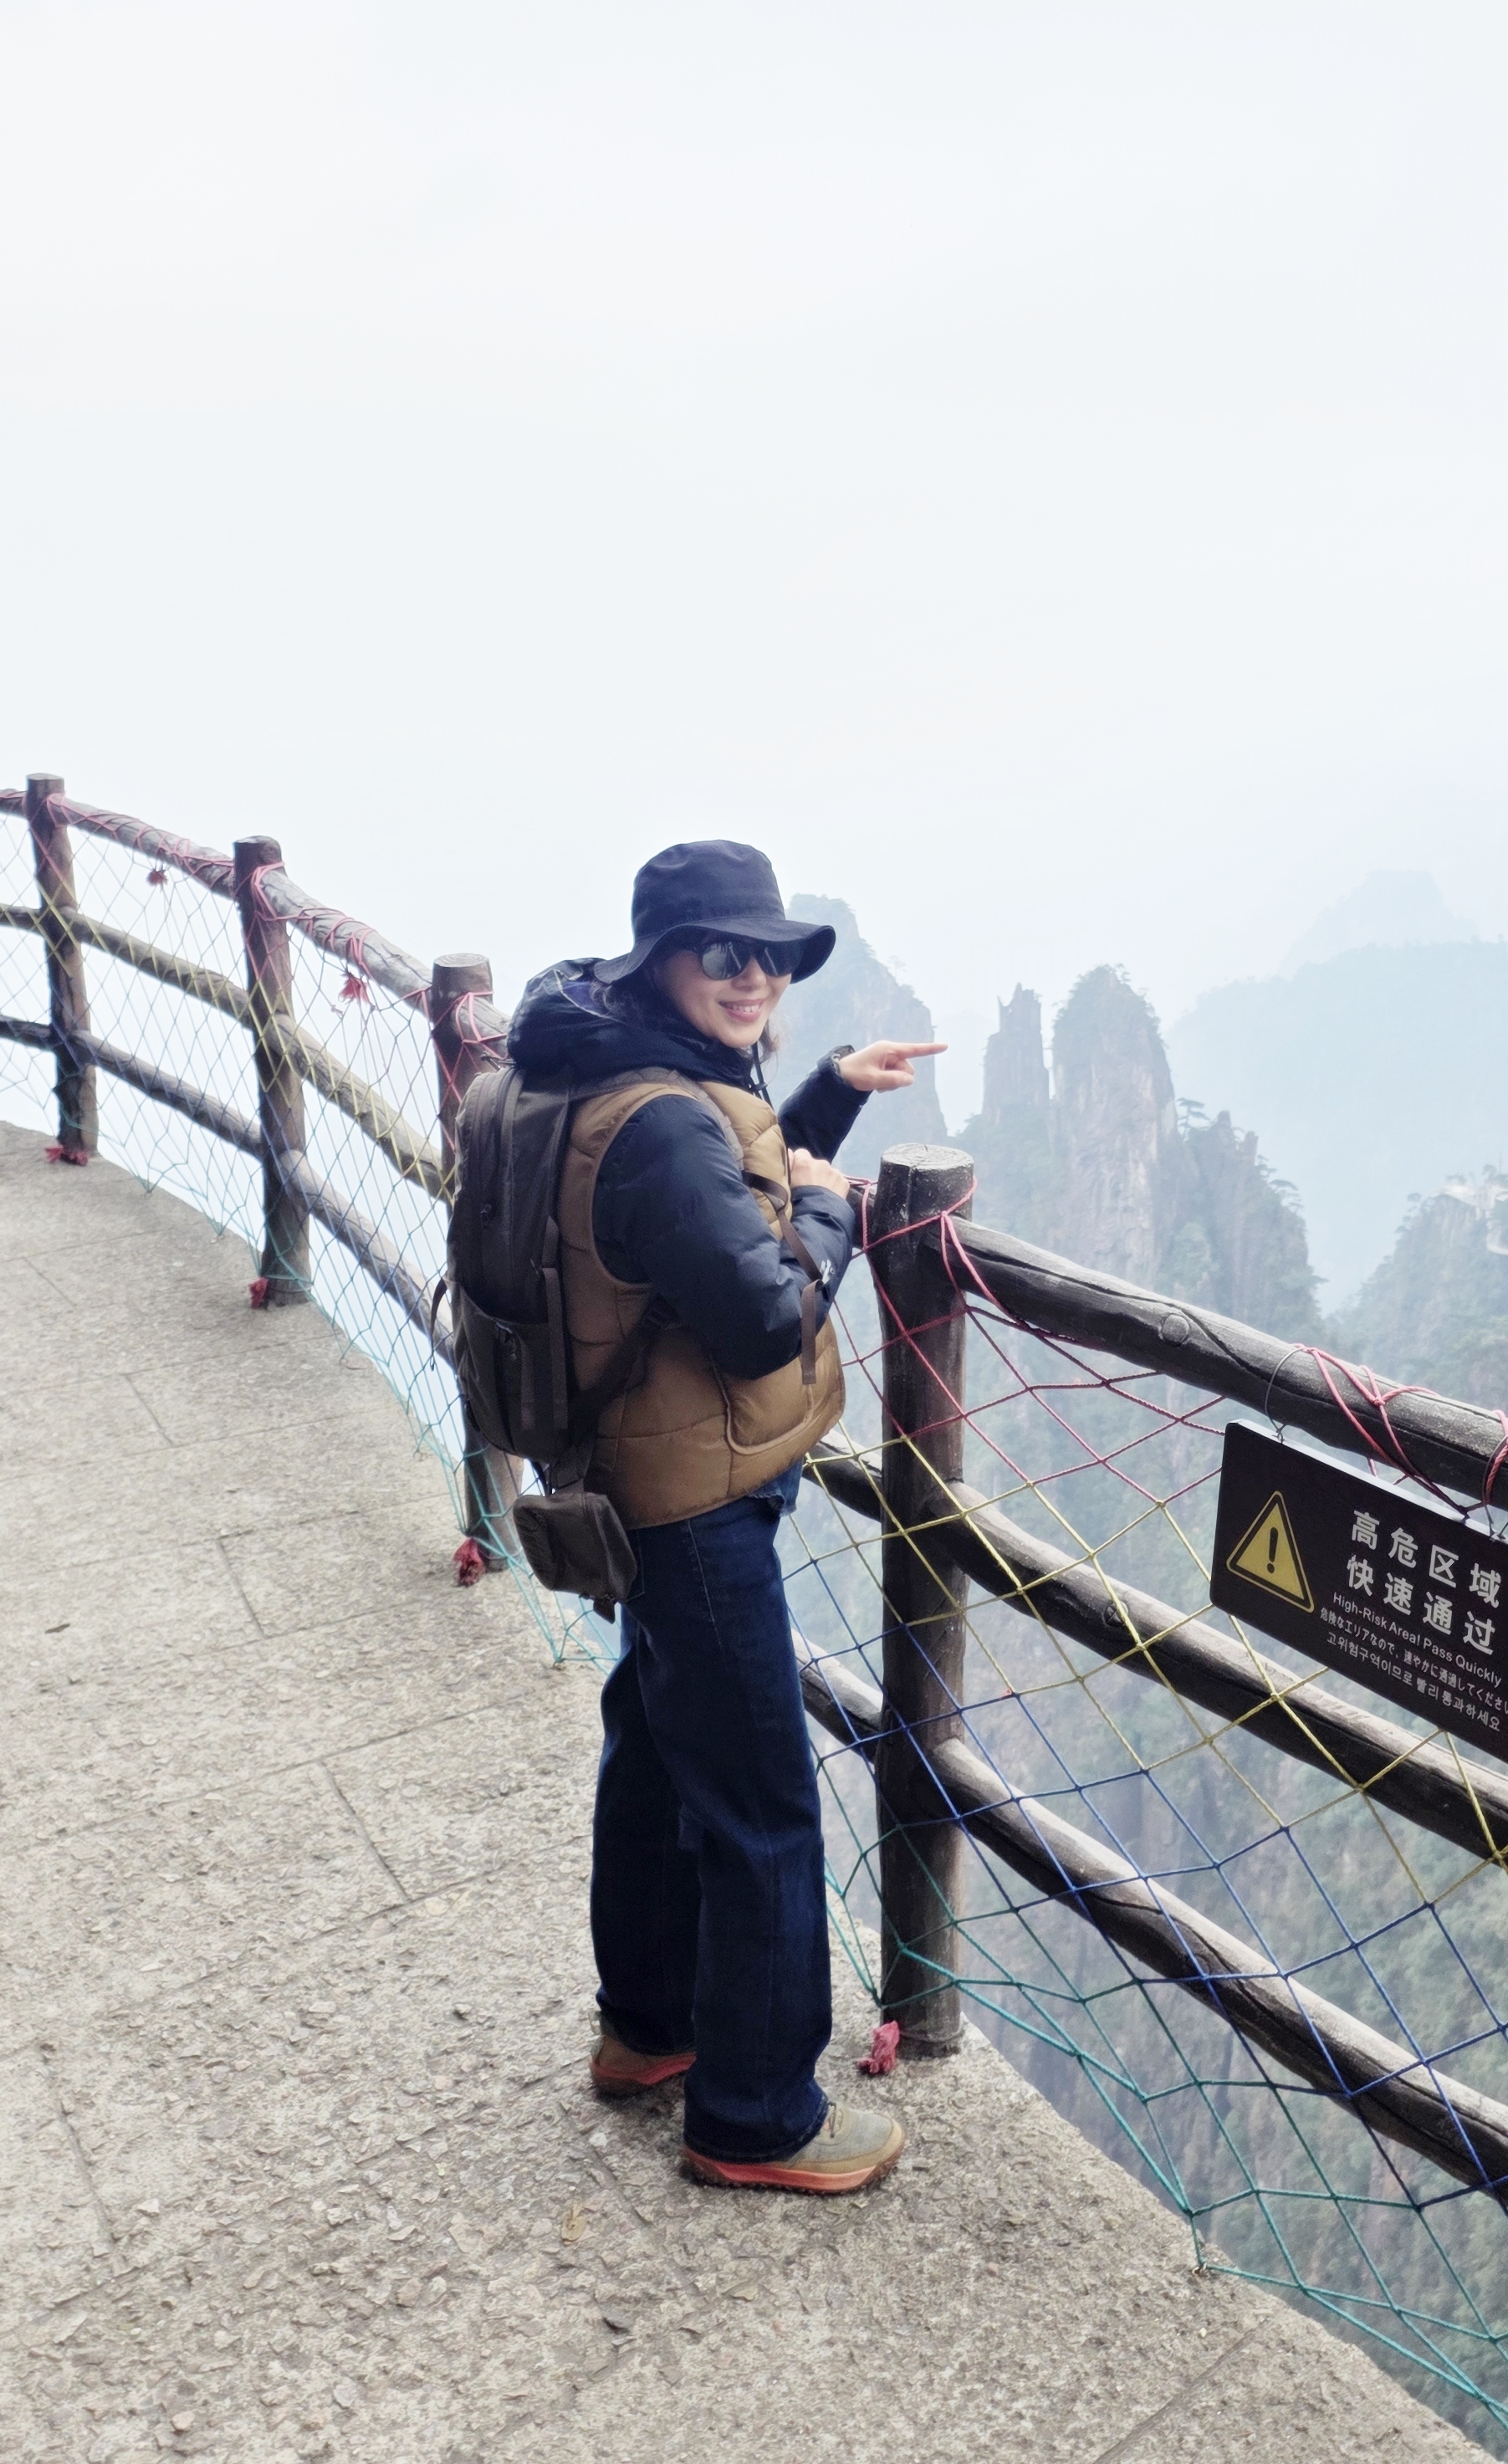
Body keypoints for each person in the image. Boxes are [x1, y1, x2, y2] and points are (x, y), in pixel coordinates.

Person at [506, 839, 943, 2194]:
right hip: (693, 1505)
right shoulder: (658, 1116)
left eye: (770, 956)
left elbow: (700, 1207)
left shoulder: (597, 1057)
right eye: (720, 953)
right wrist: (829, 1214)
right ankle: (755, 2115)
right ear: (661, 961)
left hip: (633, 1481)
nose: (752, 976)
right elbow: (758, 1309)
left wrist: (827, 1099)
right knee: (760, 1801)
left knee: (653, 1746)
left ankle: (649, 2029)